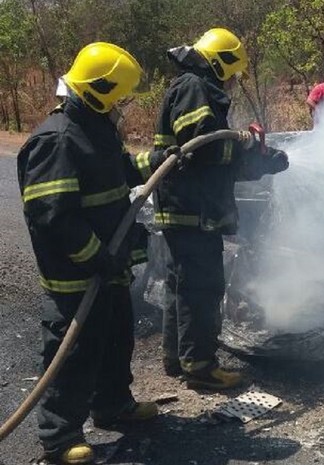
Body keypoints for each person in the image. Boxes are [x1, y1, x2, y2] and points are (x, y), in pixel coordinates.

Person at [17, 42, 166, 465]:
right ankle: (59, 437)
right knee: (74, 355)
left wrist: (157, 159)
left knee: (116, 339)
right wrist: (98, 255)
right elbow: (54, 218)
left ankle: (113, 405)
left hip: (108, 268)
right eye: (120, 97)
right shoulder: (58, 141)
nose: (124, 105)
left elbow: (121, 170)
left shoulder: (95, 128)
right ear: (100, 90)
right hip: (76, 276)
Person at [152, 28, 289, 390]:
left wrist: (260, 162)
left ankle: (178, 357)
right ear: (219, 62)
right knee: (202, 287)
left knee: (182, 286)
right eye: (232, 73)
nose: (232, 82)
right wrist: (247, 152)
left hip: (186, 206)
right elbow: (203, 148)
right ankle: (200, 365)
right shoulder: (196, 88)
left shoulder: (190, 86)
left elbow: (214, 156)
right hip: (192, 209)